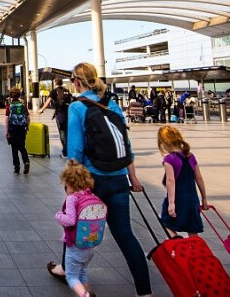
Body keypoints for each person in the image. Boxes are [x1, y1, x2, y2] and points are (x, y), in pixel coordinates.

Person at [48, 62, 151, 297]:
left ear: (76, 81)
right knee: (126, 236)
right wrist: (132, 177)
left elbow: (75, 151)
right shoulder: (113, 104)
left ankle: (66, 269)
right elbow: (126, 145)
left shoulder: (77, 107)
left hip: (91, 180)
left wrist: (71, 186)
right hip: (119, 178)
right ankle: (145, 292)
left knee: (72, 222)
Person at [55, 160, 102, 297]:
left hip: (75, 246)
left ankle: (85, 295)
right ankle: (88, 292)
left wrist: (58, 216)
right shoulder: (90, 195)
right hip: (90, 245)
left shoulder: (72, 198)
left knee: (71, 277)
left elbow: (70, 220)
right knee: (82, 271)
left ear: (69, 183)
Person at [157, 125, 210, 236]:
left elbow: (170, 181)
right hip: (192, 200)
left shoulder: (169, 158)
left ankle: (177, 243)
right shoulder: (190, 156)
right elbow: (199, 178)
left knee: (166, 222)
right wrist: (204, 199)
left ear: (164, 142)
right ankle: (195, 251)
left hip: (178, 200)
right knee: (192, 230)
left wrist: (171, 204)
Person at [39, 78, 72, 157]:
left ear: (55, 83)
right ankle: (69, 150)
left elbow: (48, 102)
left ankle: (65, 152)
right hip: (68, 113)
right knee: (67, 131)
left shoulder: (54, 91)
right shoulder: (67, 91)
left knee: (62, 132)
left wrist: (42, 109)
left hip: (60, 114)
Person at [5, 88, 30, 174]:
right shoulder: (22, 105)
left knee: (14, 149)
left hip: (12, 129)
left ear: (10, 96)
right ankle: (26, 161)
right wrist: (27, 127)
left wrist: (6, 131)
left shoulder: (9, 106)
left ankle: (17, 168)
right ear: (19, 95)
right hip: (22, 128)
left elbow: (7, 119)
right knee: (22, 147)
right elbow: (28, 118)